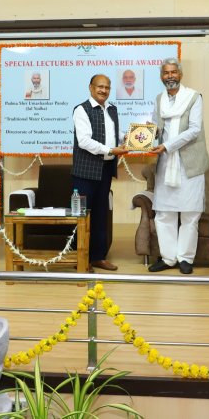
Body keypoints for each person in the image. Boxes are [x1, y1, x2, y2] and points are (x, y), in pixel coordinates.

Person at [148, 58, 209, 275]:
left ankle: (185, 258)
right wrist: (145, 134)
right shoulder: (159, 99)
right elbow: (157, 128)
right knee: (164, 214)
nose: (170, 76)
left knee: (190, 214)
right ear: (161, 77)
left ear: (180, 74)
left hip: (189, 163)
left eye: (173, 72)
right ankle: (168, 258)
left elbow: (194, 130)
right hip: (166, 163)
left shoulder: (194, 97)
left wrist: (167, 145)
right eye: (166, 73)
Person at [72, 74, 128, 271]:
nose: (103, 90)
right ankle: (82, 259)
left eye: (107, 87)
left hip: (105, 170)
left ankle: (98, 257)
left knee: (100, 215)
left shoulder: (111, 109)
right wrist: (112, 150)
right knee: (82, 216)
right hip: (85, 172)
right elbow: (84, 141)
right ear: (90, 87)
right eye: (100, 87)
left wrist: (128, 139)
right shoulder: (81, 110)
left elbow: (114, 134)